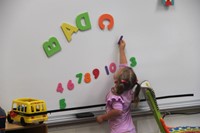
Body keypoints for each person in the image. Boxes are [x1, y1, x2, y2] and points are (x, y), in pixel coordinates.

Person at [96, 39, 141, 133]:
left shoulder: (115, 96)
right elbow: (124, 66)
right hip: (130, 129)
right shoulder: (128, 88)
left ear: (116, 81)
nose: (119, 68)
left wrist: (103, 117)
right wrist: (121, 49)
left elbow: (117, 110)